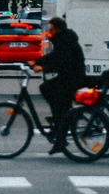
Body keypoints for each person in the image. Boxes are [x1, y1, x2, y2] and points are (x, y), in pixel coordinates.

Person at [34, 17, 87, 155]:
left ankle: (61, 137)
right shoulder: (62, 38)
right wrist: (37, 61)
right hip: (67, 75)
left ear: (58, 29)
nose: (49, 33)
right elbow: (54, 55)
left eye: (51, 30)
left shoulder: (67, 40)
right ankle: (60, 118)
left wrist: (42, 67)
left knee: (56, 98)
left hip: (74, 78)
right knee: (46, 88)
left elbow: (60, 61)